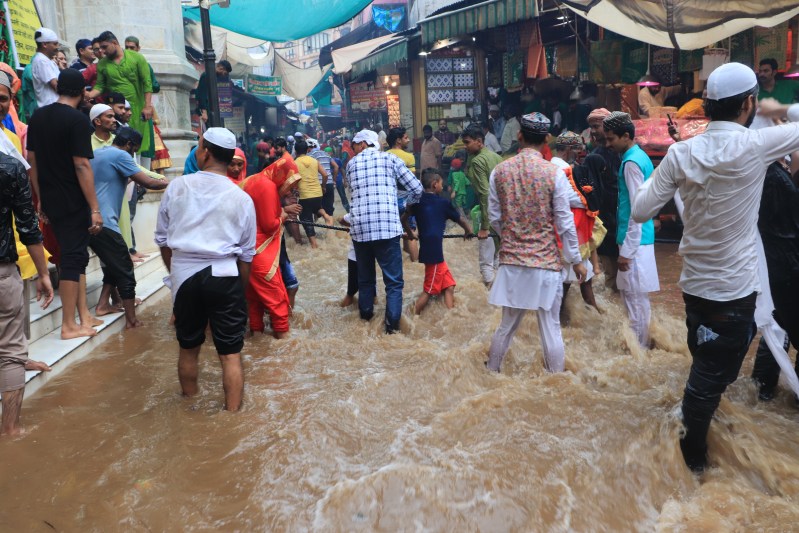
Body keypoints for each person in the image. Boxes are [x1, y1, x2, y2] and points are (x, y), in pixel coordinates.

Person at [630, 62, 799, 472]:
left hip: (694, 289)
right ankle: (693, 464)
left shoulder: (681, 153)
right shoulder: (758, 145)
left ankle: (695, 446)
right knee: (708, 380)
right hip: (735, 294)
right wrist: (779, 107)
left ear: (706, 107)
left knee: (708, 365)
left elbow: (640, 210)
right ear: (748, 103)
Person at [154, 127, 256, 412]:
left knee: (188, 348)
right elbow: (247, 254)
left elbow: (162, 240)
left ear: (206, 152)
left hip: (184, 275)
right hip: (225, 275)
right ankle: (232, 417)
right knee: (231, 355)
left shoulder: (177, 186)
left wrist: (176, 274)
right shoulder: (241, 197)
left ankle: (189, 407)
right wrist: (240, 290)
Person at [486, 113, 586, 373]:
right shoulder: (554, 174)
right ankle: (557, 382)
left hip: (511, 262)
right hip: (545, 263)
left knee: (506, 326)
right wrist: (576, 261)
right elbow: (565, 223)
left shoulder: (500, 171)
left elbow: (495, 219)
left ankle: (492, 373)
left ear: (519, 136)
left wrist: (514, 236)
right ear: (547, 140)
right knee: (551, 328)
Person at [27, 68, 104, 340]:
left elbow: (31, 161)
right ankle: (68, 325)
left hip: (51, 197)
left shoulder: (38, 116)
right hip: (73, 198)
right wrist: (95, 208)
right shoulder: (78, 121)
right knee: (73, 258)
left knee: (74, 257)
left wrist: (40, 199)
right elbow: (82, 164)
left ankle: (81, 317)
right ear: (82, 91)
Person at [0, 146, 54, 436]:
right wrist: (43, 273)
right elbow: (28, 226)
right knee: (10, 351)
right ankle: (10, 429)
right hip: (2, 271)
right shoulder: (9, 167)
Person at [89, 127, 167, 326]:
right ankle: (132, 322)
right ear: (130, 144)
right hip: (105, 222)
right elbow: (148, 182)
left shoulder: (97, 153)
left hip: (89, 220)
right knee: (125, 269)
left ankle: (102, 305)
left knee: (113, 264)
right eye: (135, 149)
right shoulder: (121, 155)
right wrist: (174, 183)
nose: (134, 153)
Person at [347, 129, 422, 333]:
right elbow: (417, 189)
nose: (352, 149)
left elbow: (354, 197)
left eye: (354, 144)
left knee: (365, 280)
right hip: (387, 228)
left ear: (363, 144)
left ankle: (365, 324)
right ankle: (392, 330)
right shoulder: (390, 159)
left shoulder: (351, 164)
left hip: (360, 229)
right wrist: (406, 209)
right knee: (394, 283)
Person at [603, 111, 659, 348]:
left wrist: (626, 251)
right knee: (636, 299)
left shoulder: (631, 163)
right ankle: (642, 346)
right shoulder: (640, 157)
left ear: (626, 136)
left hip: (633, 240)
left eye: (611, 139)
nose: (608, 144)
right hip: (639, 239)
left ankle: (639, 351)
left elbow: (637, 209)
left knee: (634, 300)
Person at [751, 154, 799, 401]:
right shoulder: (774, 176)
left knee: (777, 326)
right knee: (779, 325)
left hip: (777, 265)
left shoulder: (771, 173)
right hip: (786, 264)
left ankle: (761, 390)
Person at [401, 169, 473, 314]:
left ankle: (450, 316)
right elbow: (460, 219)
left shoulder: (417, 201)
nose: (443, 186)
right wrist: (468, 231)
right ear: (434, 185)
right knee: (429, 291)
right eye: (441, 183)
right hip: (434, 253)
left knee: (449, 286)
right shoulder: (443, 203)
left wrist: (410, 233)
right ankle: (409, 319)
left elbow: (403, 219)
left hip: (430, 250)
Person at [242, 158, 299, 339]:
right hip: (261, 252)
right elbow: (269, 225)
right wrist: (283, 215)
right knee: (278, 300)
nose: (287, 188)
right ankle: (284, 345)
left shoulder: (252, 179)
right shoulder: (267, 186)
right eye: (288, 183)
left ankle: (258, 339)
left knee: (254, 300)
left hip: (247, 252)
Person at [88, 31, 154, 161]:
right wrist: (89, 95)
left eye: (105, 47)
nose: (102, 51)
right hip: (117, 111)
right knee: (119, 141)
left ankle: (138, 177)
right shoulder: (102, 64)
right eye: (100, 48)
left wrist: (147, 106)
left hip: (137, 109)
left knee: (136, 143)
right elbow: (100, 86)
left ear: (115, 43)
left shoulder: (136, 58)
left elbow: (147, 82)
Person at [461, 125, 504, 286]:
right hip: (503, 215)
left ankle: (491, 299)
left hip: (488, 215)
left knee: (486, 262)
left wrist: (485, 226)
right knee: (499, 258)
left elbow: (485, 193)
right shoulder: (496, 157)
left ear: (479, 141)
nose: (465, 147)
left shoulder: (478, 161)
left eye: (467, 143)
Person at [587, 107, 621, 291]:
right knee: (613, 273)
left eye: (596, 126)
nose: (593, 131)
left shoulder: (620, 154)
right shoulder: (596, 156)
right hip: (608, 222)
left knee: (614, 274)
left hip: (614, 221)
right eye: (591, 127)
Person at [387, 126, 420, 262]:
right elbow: (411, 179)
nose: (408, 140)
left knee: (393, 235)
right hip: (405, 199)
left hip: (389, 200)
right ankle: (415, 265)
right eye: (406, 138)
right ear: (398, 140)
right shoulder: (408, 157)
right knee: (411, 232)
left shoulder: (384, 155)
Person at [294, 139, 333, 248]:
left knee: (305, 219)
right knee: (316, 207)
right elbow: (325, 175)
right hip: (317, 193)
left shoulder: (294, 163)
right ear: (307, 150)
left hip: (305, 195)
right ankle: (326, 216)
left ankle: (314, 244)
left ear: (296, 151)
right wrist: (323, 186)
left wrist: (294, 189)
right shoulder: (314, 161)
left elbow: (292, 180)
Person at [30, 27, 61, 108]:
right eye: (55, 44)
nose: (57, 47)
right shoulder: (41, 60)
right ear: (44, 44)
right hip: (51, 108)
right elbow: (56, 85)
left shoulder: (47, 60)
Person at [195, 60, 232, 125]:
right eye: (225, 73)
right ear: (221, 68)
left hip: (215, 110)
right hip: (207, 111)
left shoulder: (218, 78)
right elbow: (201, 95)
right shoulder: (206, 75)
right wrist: (204, 112)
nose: (225, 75)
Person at [308, 138, 338, 216]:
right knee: (329, 209)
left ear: (308, 148)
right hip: (329, 183)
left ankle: (319, 224)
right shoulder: (326, 154)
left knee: (317, 209)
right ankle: (330, 226)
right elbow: (336, 167)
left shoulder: (309, 155)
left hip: (318, 184)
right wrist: (334, 180)